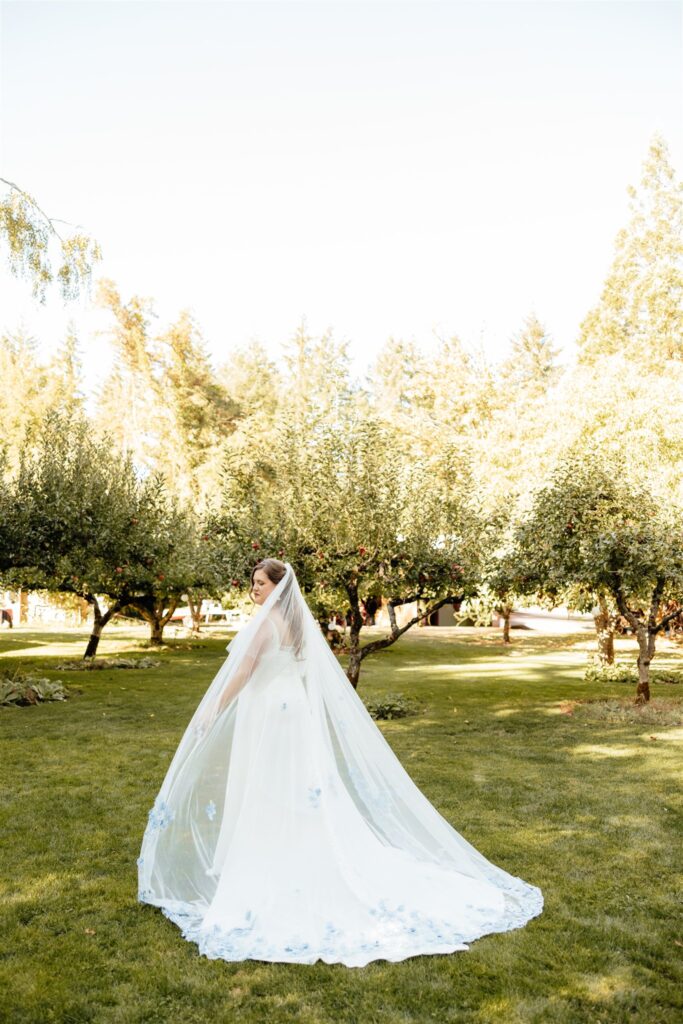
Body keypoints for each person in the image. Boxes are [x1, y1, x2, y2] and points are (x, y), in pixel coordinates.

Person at [138, 559, 543, 967]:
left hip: (268, 714)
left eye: (260, 583)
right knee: (289, 788)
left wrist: (213, 709)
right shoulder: (296, 622)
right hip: (289, 712)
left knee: (269, 786)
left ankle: (274, 866)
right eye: (253, 583)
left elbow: (244, 670)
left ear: (278, 587)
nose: (254, 590)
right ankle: (289, 855)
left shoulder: (266, 622)